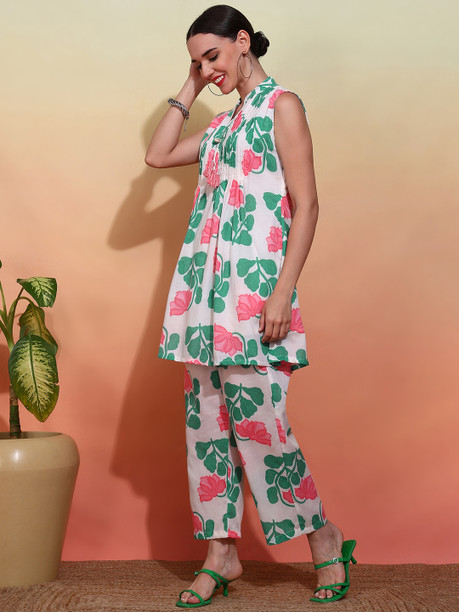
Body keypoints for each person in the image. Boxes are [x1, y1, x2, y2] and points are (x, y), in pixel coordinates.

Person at [145, 4, 356, 607]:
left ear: (244, 42)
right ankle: (222, 553)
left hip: (255, 294)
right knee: (206, 428)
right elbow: (158, 155)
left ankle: (323, 537)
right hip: (202, 299)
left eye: (212, 56)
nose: (208, 69)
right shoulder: (220, 126)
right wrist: (191, 84)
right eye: (197, 61)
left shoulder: (281, 106)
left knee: (263, 426)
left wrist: (283, 290)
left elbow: (307, 204)